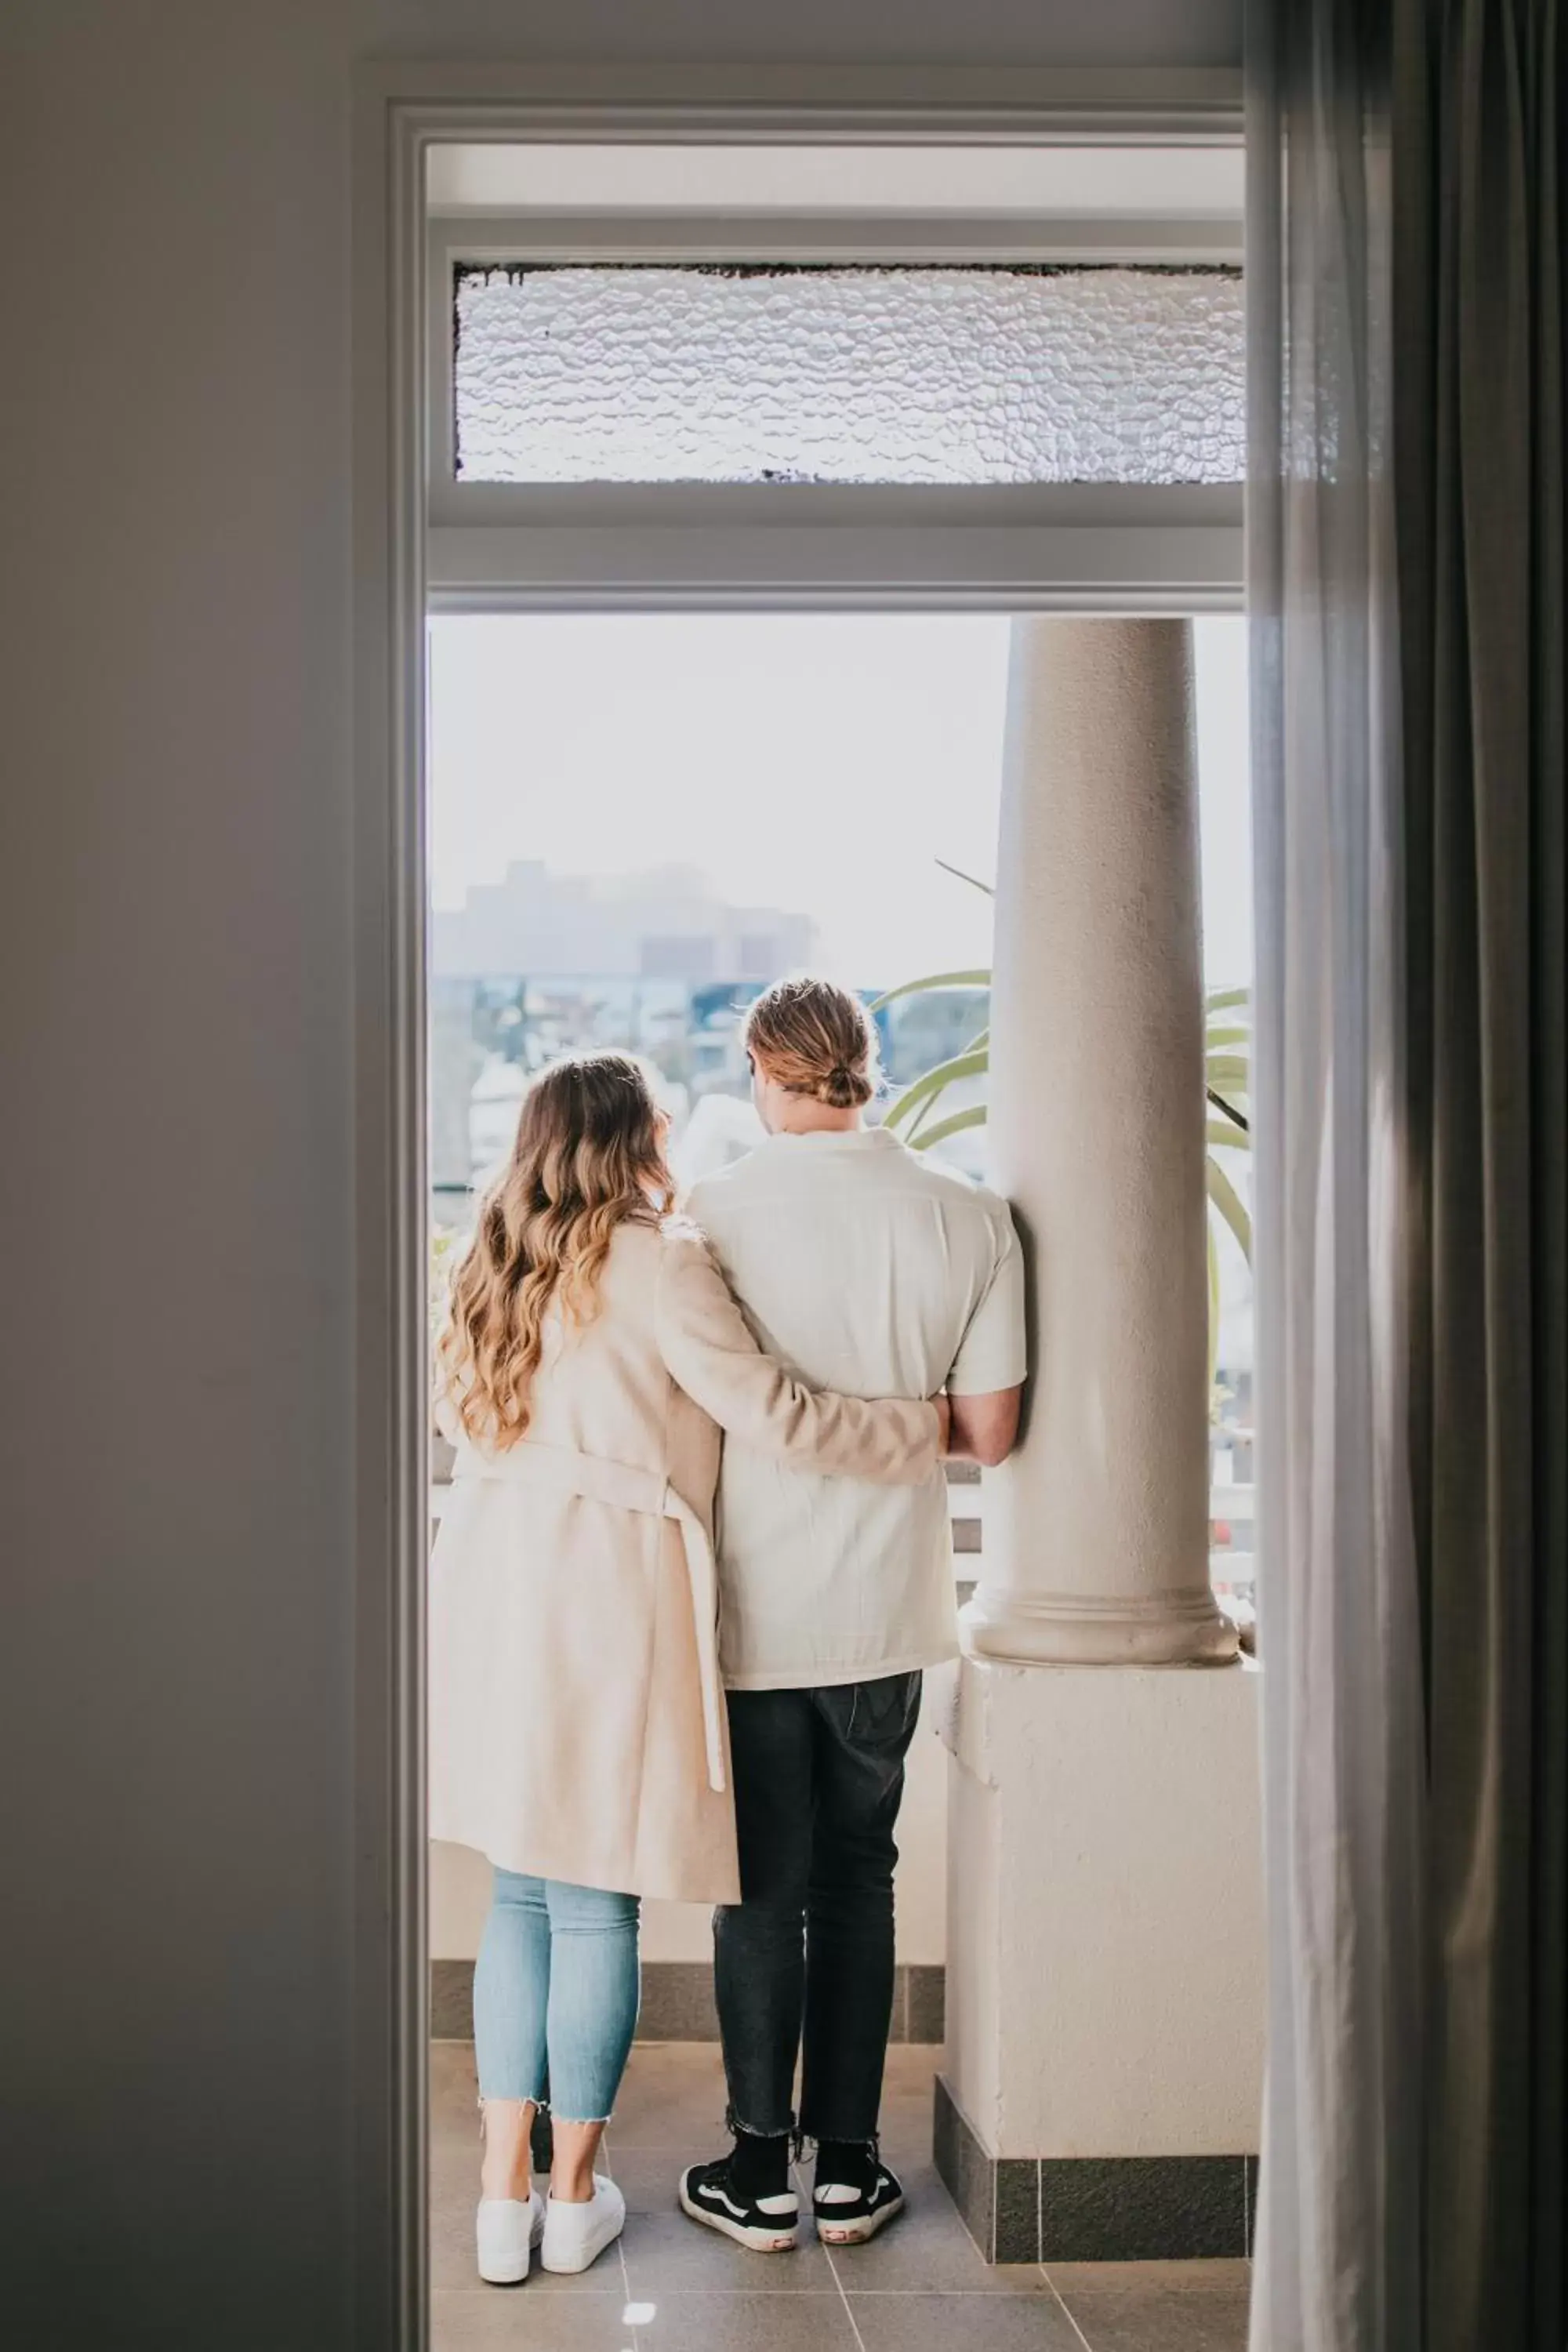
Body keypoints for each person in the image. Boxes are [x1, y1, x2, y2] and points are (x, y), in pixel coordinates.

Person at [428, 1051, 949, 2288]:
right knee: (596, 1898)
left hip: (493, 1579)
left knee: (517, 1894)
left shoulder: (480, 1258)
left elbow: (465, 1421)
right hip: (609, 1584)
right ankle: (570, 2198)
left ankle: (502, 2206)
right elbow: (768, 1408)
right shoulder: (660, 1262)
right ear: (634, 1141)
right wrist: (916, 1427)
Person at [678, 977, 1026, 2252]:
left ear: (768, 1069)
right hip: (890, 1606)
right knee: (859, 1881)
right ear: (863, 1070)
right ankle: (852, 2169)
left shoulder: (709, 1214)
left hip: (753, 1608)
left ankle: (761, 2168)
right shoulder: (969, 1214)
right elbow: (991, 1431)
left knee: (760, 1888)